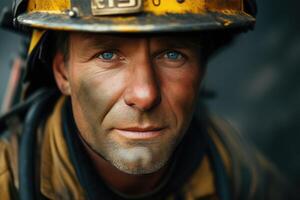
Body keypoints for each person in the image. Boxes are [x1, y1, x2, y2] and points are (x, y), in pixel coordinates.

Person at [0, 0, 295, 199]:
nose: (145, 94)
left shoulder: (235, 166)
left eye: (172, 54)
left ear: (201, 69)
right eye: (107, 54)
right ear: (63, 73)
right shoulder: (7, 179)